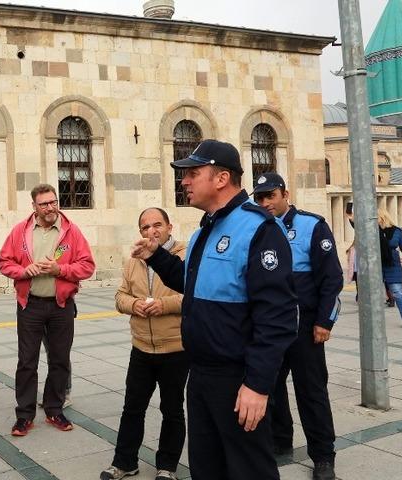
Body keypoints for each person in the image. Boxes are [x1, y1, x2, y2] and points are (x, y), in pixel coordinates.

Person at [131, 139, 297, 479]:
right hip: (202, 373)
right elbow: (193, 284)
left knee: (249, 469)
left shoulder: (258, 229)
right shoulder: (206, 229)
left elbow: (276, 316)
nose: (184, 181)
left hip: (238, 379)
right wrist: (157, 255)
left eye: (193, 173)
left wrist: (258, 385)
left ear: (221, 178)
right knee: (207, 468)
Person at [253, 173, 342, 480]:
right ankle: (280, 441)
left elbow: (332, 278)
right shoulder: (257, 228)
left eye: (271, 196)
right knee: (270, 387)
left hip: (305, 328)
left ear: (285, 194)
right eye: (260, 198)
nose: (266, 203)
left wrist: (324, 321)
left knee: (311, 392)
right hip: (270, 328)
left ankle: (323, 455)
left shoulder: (311, 225)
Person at [0, 184, 95, 436]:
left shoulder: (71, 232)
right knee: (27, 362)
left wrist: (59, 270)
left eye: (53, 202)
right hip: (30, 305)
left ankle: (54, 408)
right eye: (44, 204)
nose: (50, 208)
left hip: (61, 306)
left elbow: (87, 266)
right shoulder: (20, 231)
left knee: (60, 360)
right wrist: (23, 271)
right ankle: (24, 415)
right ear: (34, 207)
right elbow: (4, 262)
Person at [101, 207, 188, 480]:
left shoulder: (185, 255)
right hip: (141, 347)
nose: (152, 231)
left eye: (157, 225)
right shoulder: (134, 259)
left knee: (172, 409)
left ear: (169, 227)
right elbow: (119, 296)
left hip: (175, 347)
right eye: (145, 227)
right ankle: (124, 462)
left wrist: (164, 304)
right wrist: (134, 304)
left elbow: (196, 295)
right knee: (132, 407)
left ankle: (167, 466)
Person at [377, 208, 402, 329]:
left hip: (392, 265)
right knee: (373, 294)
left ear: (382, 218)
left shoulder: (397, 232)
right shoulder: (371, 231)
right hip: (375, 265)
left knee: (397, 292)